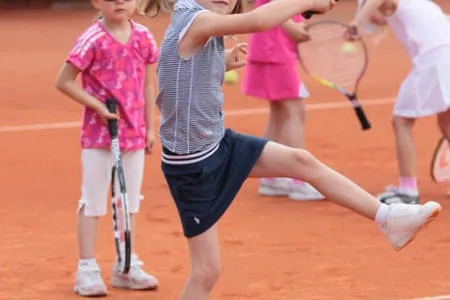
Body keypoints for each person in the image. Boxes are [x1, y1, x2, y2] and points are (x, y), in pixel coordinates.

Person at [141, 0, 442, 298]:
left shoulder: (196, 24)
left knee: (301, 160)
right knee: (207, 271)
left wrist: (221, 62)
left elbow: (174, 72)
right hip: (193, 166)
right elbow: (259, 20)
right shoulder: (195, 20)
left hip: (218, 143)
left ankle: (389, 219)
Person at [55, 0, 159, 296]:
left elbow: (148, 85)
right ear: (97, 2)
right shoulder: (92, 39)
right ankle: (86, 269)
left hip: (134, 134)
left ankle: (126, 267)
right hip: (99, 136)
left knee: (128, 203)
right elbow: (63, 81)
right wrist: (97, 106)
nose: (120, 2)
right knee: (93, 201)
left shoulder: (144, 37)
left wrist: (149, 128)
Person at [352, 0, 450, 204]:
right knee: (447, 120)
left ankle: (408, 191)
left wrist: (357, 22)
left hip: (435, 59)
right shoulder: (419, 5)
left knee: (402, 121)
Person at [242, 3, 324, 201]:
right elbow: (267, 5)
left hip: (274, 48)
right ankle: (300, 181)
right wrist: (290, 26)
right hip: (274, 49)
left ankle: (270, 177)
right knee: (295, 111)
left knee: (279, 112)